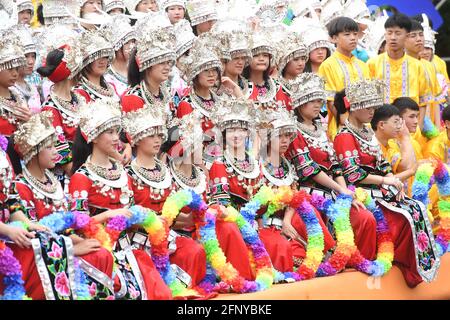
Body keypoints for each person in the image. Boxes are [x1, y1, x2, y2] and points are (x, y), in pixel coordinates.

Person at [333, 79, 440, 288]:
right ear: (354, 107)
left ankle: (411, 267)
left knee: (415, 207)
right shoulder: (344, 136)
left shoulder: (367, 135)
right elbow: (353, 174)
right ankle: (398, 263)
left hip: (380, 191)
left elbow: (383, 166)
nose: (372, 111)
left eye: (374, 106)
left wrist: (393, 185)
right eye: (368, 106)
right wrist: (386, 181)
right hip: (361, 193)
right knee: (403, 217)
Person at [69, 98, 172, 300]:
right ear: (94, 137)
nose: (117, 138)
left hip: (131, 243)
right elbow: (76, 224)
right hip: (102, 247)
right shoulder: (82, 178)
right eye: (110, 132)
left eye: (117, 132)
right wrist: (109, 214)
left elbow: (132, 211)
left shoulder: (121, 171)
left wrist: (149, 219)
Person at [6, 112, 116, 299]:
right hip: (45, 258)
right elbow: (36, 235)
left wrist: (80, 241)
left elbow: (66, 226)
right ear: (33, 152)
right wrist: (72, 248)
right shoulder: (21, 187)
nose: (57, 153)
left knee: (102, 252)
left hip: (65, 246)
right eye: (50, 147)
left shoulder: (55, 182)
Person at [287, 73, 377, 261]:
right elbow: (308, 169)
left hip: (334, 191)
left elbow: (336, 165)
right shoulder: (294, 131)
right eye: (312, 101)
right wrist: (340, 190)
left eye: (320, 100)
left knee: (365, 217)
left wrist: (345, 192)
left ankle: (362, 263)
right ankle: (336, 263)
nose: (318, 105)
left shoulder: (321, 129)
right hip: (309, 193)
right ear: (300, 102)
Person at [123, 106, 207, 288]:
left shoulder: (166, 172)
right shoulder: (128, 174)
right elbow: (127, 219)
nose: (157, 141)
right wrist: (152, 221)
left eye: (159, 136)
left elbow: (173, 218)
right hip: (140, 240)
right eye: (151, 136)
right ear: (137, 139)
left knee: (195, 251)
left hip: (167, 237)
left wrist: (190, 218)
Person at [208, 97, 263, 280]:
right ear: (224, 134)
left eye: (241, 129)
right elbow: (222, 207)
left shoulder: (255, 164)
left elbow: (263, 203)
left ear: (248, 133)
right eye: (231, 130)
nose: (236, 134)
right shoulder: (219, 164)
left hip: (257, 224)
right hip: (232, 225)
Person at [367, 14, 431, 131]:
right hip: (381, 129)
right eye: (389, 32)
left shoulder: (417, 66)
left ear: (406, 36)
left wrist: (419, 128)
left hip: (410, 129)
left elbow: (423, 101)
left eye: (397, 33)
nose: (393, 37)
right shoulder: (372, 64)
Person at [38, 34, 84, 189]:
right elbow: (60, 149)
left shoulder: (80, 98)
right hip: (69, 175)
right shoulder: (50, 108)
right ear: (71, 72)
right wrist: (81, 176)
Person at [318, 16, 370, 141]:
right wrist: (349, 126)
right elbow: (331, 102)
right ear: (334, 38)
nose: (353, 38)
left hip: (366, 127)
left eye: (355, 34)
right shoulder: (327, 65)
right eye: (347, 34)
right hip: (341, 128)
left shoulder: (363, 66)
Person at [121, 13, 175, 118]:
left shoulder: (166, 93)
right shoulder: (133, 98)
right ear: (147, 64)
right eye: (161, 62)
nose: (167, 67)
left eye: (168, 62)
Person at [371, 104, 418, 194]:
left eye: (400, 122)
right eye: (396, 122)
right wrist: (405, 137)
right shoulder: (371, 146)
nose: (399, 126)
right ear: (381, 125)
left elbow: (404, 166)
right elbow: (406, 168)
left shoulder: (389, 146)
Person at [405, 19, 443, 128]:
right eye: (413, 36)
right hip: (405, 125)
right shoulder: (400, 64)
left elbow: (435, 100)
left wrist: (437, 127)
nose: (419, 39)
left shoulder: (429, 65)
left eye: (421, 35)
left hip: (428, 124)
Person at [0, 30, 32, 138]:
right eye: (10, 69)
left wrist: (29, 120)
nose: (15, 74)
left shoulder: (18, 95)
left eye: (17, 69)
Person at [102, 15, 136, 98]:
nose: (131, 46)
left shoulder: (137, 69)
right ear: (116, 46)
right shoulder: (106, 76)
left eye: (133, 41)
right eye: (126, 43)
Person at [275, 31, 308, 111]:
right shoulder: (275, 86)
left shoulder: (308, 84)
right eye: (295, 59)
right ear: (285, 62)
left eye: (303, 59)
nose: (300, 63)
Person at [12, 25, 42, 114]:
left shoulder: (33, 87)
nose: (31, 62)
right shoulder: (9, 89)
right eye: (26, 56)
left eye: (33, 56)